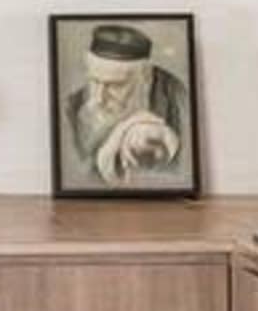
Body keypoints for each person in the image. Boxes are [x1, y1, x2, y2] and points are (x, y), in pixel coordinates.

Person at [62, 23, 191, 188]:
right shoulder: (71, 107)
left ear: (146, 76)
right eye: (94, 81)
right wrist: (122, 132)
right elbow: (76, 179)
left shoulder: (178, 98)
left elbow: (183, 171)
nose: (99, 98)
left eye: (115, 86)